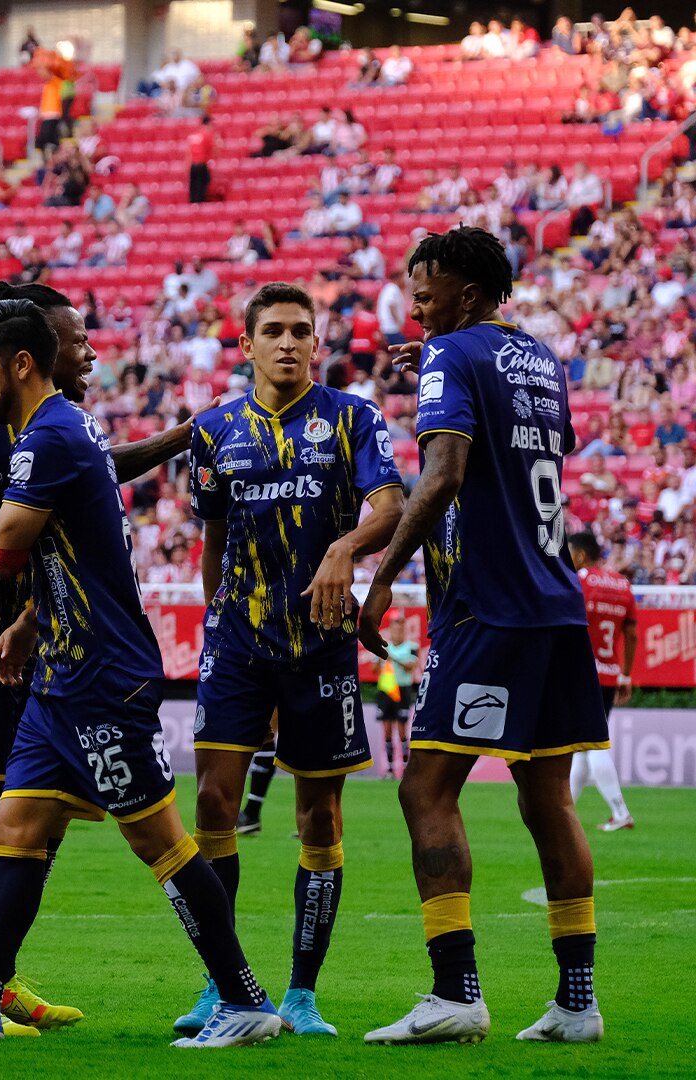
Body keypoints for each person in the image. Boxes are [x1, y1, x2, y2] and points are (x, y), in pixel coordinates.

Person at [0, 296, 280, 1049]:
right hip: (60, 670)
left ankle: (246, 1000)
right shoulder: (58, 430)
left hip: (106, 675)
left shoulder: (49, 436)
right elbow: (56, 551)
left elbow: (5, 552)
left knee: (160, 841)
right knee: (14, 827)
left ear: (19, 365)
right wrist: (23, 612)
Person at [357, 227, 606, 1045]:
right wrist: (440, 356)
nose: (413, 307)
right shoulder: (541, 358)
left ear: (466, 294)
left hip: (485, 607)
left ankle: (454, 991)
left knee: (424, 790)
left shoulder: (450, 355)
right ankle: (577, 1003)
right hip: (556, 607)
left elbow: (448, 473)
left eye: (424, 295)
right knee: (548, 801)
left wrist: (385, 572)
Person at [179, 282, 405, 1037]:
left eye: (299, 331)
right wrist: (215, 619)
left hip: (322, 646)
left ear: (318, 344)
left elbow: (391, 506)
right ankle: (224, 983)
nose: (286, 342)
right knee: (211, 806)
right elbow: (213, 538)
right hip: (237, 645)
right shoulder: (212, 433)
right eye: (271, 330)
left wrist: (345, 550)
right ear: (245, 346)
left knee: (318, 815)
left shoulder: (352, 419)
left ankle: (302, 992)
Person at [568, 532, 636, 831]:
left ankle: (620, 812)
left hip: (582, 673)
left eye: (569, 552)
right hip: (609, 675)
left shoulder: (578, 580)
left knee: (593, 745)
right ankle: (563, 812)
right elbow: (632, 633)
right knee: (583, 746)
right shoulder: (622, 584)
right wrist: (626, 674)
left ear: (581, 555)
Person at [374, 616, 420, 777]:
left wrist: (392, 658)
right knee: (387, 731)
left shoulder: (411, 647)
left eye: (400, 629)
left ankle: (407, 769)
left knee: (402, 731)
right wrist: (378, 661)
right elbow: (374, 670)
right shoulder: (384, 648)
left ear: (404, 631)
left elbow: (410, 667)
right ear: (391, 630)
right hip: (386, 690)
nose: (397, 632)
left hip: (402, 690)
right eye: (394, 629)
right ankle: (391, 770)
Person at [187, 114, 217, 204]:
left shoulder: (194, 135)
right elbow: (213, 149)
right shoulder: (207, 135)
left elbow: (188, 153)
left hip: (193, 165)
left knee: (194, 186)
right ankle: (199, 203)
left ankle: (193, 203)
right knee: (202, 184)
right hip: (201, 164)